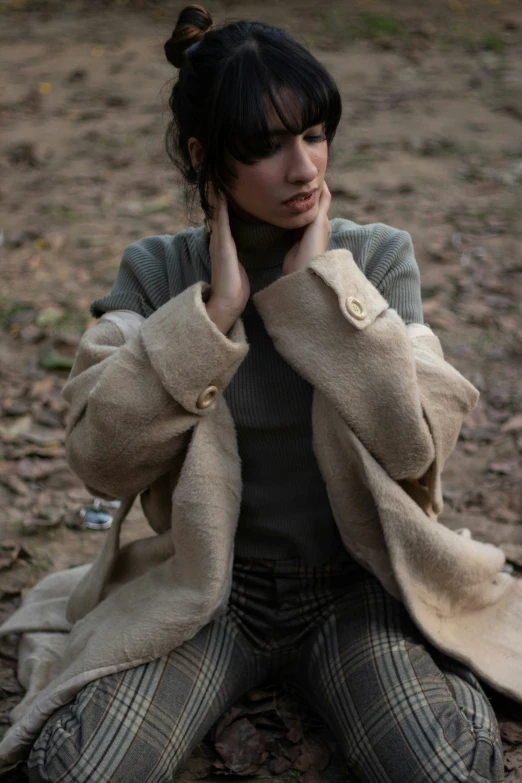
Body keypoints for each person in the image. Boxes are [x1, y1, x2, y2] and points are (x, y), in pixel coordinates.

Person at [8, 5, 509, 782]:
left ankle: (444, 665)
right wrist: (212, 317)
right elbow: (100, 460)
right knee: (76, 768)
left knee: (449, 766)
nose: (305, 168)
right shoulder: (158, 274)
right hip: (212, 593)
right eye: (267, 146)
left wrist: (325, 296)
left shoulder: (377, 257)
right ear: (208, 159)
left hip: (355, 584)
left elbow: (416, 448)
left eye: (312, 134)